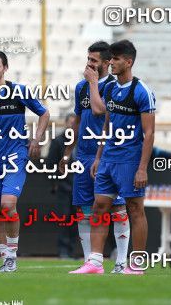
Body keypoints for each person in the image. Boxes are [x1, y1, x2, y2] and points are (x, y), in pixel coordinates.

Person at [0, 51, 50, 272]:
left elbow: (44, 114)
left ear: (5, 68)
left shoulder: (18, 91)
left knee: (8, 205)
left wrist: (36, 140)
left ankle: (12, 257)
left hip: (16, 154)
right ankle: (6, 258)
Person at [84, 40, 156, 274]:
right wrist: (98, 156)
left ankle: (136, 264)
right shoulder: (110, 88)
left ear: (128, 61)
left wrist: (142, 168)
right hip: (108, 160)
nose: (111, 63)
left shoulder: (141, 91)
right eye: (111, 59)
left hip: (130, 160)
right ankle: (95, 262)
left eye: (115, 59)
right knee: (99, 206)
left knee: (135, 209)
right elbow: (107, 123)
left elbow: (149, 132)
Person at [60, 41, 130, 273]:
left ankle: (120, 261)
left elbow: (100, 110)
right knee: (85, 210)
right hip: (85, 156)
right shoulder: (81, 87)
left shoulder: (114, 86)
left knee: (117, 209)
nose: (89, 64)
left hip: (109, 156)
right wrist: (68, 153)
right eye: (88, 59)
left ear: (107, 63)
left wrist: (92, 83)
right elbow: (78, 122)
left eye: (94, 60)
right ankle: (91, 261)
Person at [47, 113, 78, 259]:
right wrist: (55, 184)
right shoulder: (58, 141)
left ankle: (72, 250)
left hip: (79, 187)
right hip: (64, 187)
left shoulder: (83, 139)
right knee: (64, 219)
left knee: (76, 220)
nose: (72, 126)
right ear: (66, 124)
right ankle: (63, 250)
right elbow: (50, 164)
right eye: (70, 123)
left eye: (75, 123)